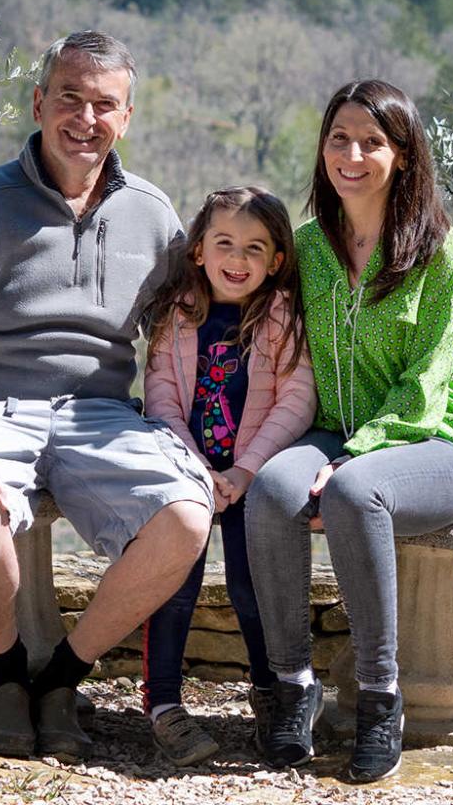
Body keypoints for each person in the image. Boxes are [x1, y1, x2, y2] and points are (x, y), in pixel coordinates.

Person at [0, 30, 213, 761]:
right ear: (39, 102)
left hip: (102, 416)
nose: (85, 118)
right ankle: (6, 677)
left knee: (184, 516)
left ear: (127, 118)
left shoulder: (152, 212)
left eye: (104, 104)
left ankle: (61, 677)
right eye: (70, 98)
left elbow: (186, 331)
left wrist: (195, 438)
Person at [245, 80, 453, 783]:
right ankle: (292, 685)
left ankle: (381, 700)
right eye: (338, 139)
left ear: (404, 155)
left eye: (372, 141)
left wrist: (356, 454)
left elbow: (426, 381)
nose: (351, 154)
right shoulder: (306, 249)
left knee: (356, 493)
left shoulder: (439, 253)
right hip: (331, 430)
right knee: (271, 490)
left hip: (433, 443)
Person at [136, 185, 316, 765]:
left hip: (250, 476)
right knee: (174, 585)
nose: (238, 260)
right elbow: (161, 398)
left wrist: (245, 469)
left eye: (256, 248)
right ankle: (163, 704)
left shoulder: (282, 317)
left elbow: (296, 399)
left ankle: (273, 695)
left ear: (278, 261)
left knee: (250, 585)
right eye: (225, 244)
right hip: (186, 473)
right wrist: (197, 469)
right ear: (198, 251)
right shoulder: (179, 316)